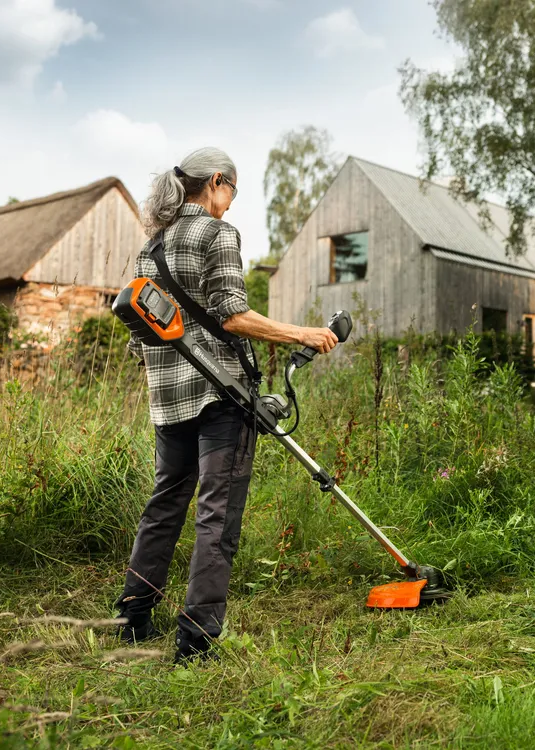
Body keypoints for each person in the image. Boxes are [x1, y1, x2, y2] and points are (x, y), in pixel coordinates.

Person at [115, 147, 338, 664]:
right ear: (216, 182)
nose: (231, 205)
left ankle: (132, 616)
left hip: (167, 401)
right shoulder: (218, 234)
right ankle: (196, 639)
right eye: (232, 192)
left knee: (164, 505)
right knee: (217, 514)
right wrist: (303, 332)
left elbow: (140, 336)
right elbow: (234, 316)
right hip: (220, 396)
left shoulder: (154, 246)